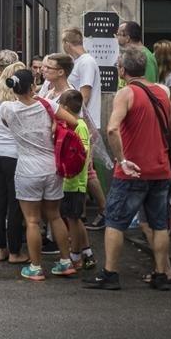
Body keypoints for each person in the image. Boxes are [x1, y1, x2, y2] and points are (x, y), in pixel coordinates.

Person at [85, 47, 171, 291]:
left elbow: (112, 129)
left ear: (123, 70)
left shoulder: (126, 93)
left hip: (132, 171)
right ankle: (161, 274)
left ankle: (110, 274)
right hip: (161, 170)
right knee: (159, 225)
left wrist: (122, 159)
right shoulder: (162, 92)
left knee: (115, 222)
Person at [0, 69, 75, 281]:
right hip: (51, 166)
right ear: (33, 86)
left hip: (27, 168)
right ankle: (65, 261)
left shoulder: (7, 109)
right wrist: (54, 125)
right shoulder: (47, 105)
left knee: (32, 220)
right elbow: (75, 123)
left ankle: (36, 266)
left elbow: (6, 125)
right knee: (55, 215)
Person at [62, 28, 110, 230]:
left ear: (67, 43)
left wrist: (75, 120)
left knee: (87, 171)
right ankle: (79, 214)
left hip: (83, 123)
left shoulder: (87, 62)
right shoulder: (80, 62)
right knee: (83, 171)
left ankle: (105, 210)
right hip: (78, 122)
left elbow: (84, 95)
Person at [0, 61, 28, 264]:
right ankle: (14, 251)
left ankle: (1, 249)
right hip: (14, 156)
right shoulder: (19, 104)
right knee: (15, 205)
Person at [57, 90, 95, 271]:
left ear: (64, 108)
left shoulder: (78, 126)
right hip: (72, 182)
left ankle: (75, 255)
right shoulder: (77, 125)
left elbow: (82, 153)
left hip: (73, 182)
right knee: (75, 218)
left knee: (73, 220)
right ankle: (87, 252)